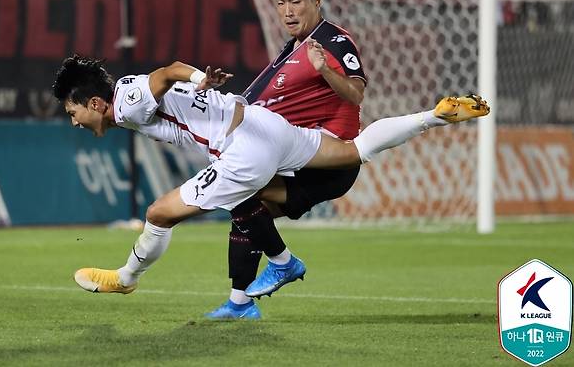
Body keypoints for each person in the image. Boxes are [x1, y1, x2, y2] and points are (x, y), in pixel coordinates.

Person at [52, 54, 489, 299]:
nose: (73, 122)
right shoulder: (128, 91)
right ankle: (431, 116)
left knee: (159, 213)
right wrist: (203, 80)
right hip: (267, 125)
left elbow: (167, 72)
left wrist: (200, 76)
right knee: (354, 150)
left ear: (94, 103)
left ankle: (126, 280)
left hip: (243, 147)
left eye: (72, 112)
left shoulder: (125, 100)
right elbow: (166, 77)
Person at [207, 0, 367, 320]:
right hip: (303, 158)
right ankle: (240, 304)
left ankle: (282, 265)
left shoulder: (334, 41)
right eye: (281, 3)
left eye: (296, 1)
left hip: (330, 159)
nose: (288, 11)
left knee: (243, 198)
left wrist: (326, 69)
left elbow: (356, 94)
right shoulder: (291, 48)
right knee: (245, 212)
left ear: (317, 1)